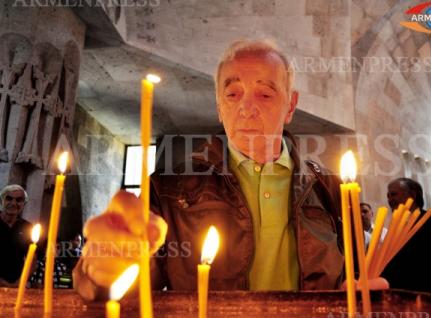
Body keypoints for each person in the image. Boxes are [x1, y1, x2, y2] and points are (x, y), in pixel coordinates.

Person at [74, 39, 387, 300]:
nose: (247, 108)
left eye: (265, 94)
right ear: (219, 106)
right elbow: (120, 289)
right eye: (233, 94)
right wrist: (100, 269)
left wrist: (363, 291)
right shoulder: (170, 188)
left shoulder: (328, 188)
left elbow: (354, 276)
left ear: (290, 106)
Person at [381, 178, 431, 295]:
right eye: (388, 196)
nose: (390, 200)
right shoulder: (395, 229)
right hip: (401, 300)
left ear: (412, 195)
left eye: (393, 194)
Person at [0, 184, 33, 287]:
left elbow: (32, 259)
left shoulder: (27, 227)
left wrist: (20, 282)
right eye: (9, 198)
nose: (13, 203)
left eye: (19, 200)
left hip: (18, 285)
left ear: (24, 204)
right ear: (2, 201)